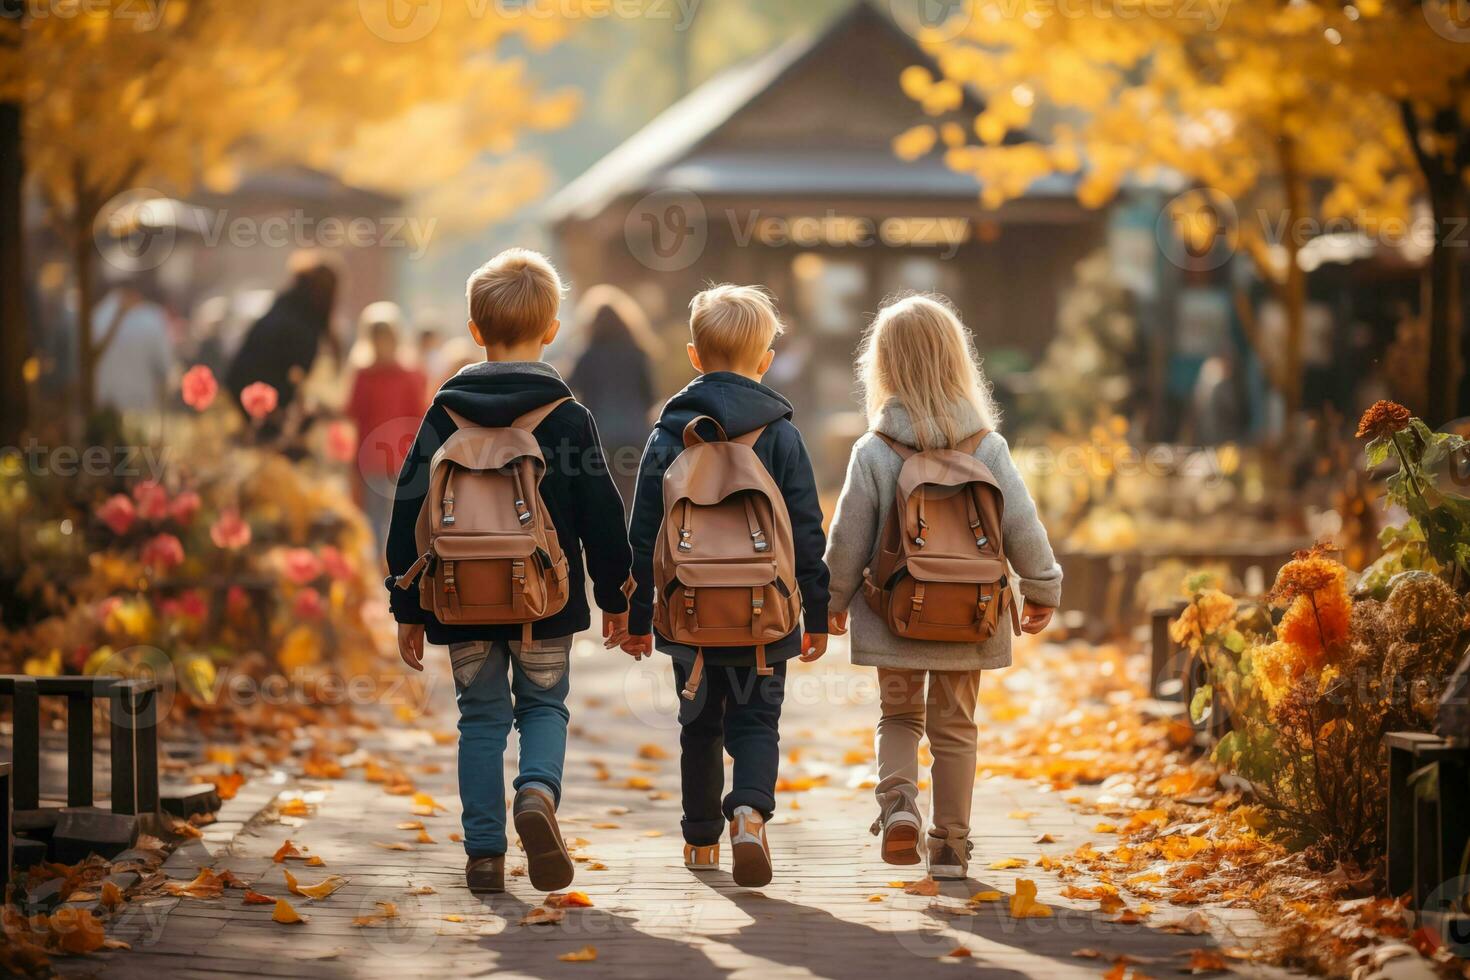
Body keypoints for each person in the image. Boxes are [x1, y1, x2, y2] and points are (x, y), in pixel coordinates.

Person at [386, 248, 632, 896]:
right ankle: (536, 794)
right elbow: (603, 514)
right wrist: (617, 595)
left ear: (475, 331)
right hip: (544, 602)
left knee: (480, 718)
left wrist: (407, 607)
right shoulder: (568, 417)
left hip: (457, 596)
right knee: (545, 705)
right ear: (552, 329)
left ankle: (485, 856)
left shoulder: (445, 414)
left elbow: (408, 507)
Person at [822, 294, 1061, 881]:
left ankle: (899, 805)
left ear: (882, 368)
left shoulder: (875, 450)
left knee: (899, 716)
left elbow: (849, 534)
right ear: (958, 362)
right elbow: (1021, 525)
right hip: (972, 612)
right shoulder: (988, 446)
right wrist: (1043, 587)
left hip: (895, 612)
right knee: (956, 727)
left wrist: (829, 601)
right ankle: (951, 843)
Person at [621, 285, 830, 888]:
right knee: (757, 722)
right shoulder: (782, 436)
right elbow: (806, 528)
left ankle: (700, 843)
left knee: (700, 725)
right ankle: (748, 811)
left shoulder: (670, 434)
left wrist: (636, 615)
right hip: (765, 611)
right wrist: (816, 611)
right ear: (764, 362)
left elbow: (644, 532)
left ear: (693, 355)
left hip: (688, 610)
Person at [225, 250, 340, 431]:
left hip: (244, 402)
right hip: (268, 413)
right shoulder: (301, 325)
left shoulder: (282, 310)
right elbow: (298, 379)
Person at [568, 285, 661, 503]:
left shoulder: (587, 356)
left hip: (599, 437)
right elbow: (650, 397)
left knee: (603, 497)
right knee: (632, 495)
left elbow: (570, 389)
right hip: (636, 435)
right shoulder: (638, 354)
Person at [345, 303, 426, 548]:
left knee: (398, 518)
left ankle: (394, 571)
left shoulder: (409, 375)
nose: (382, 345)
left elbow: (418, 417)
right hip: (371, 458)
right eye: (377, 339)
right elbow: (355, 415)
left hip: (402, 458)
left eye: (387, 339)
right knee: (373, 519)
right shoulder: (363, 375)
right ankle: (378, 574)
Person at [92, 276, 174, 414]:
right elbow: (164, 367)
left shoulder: (96, 316)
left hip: (102, 406)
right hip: (139, 408)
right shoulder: (152, 319)